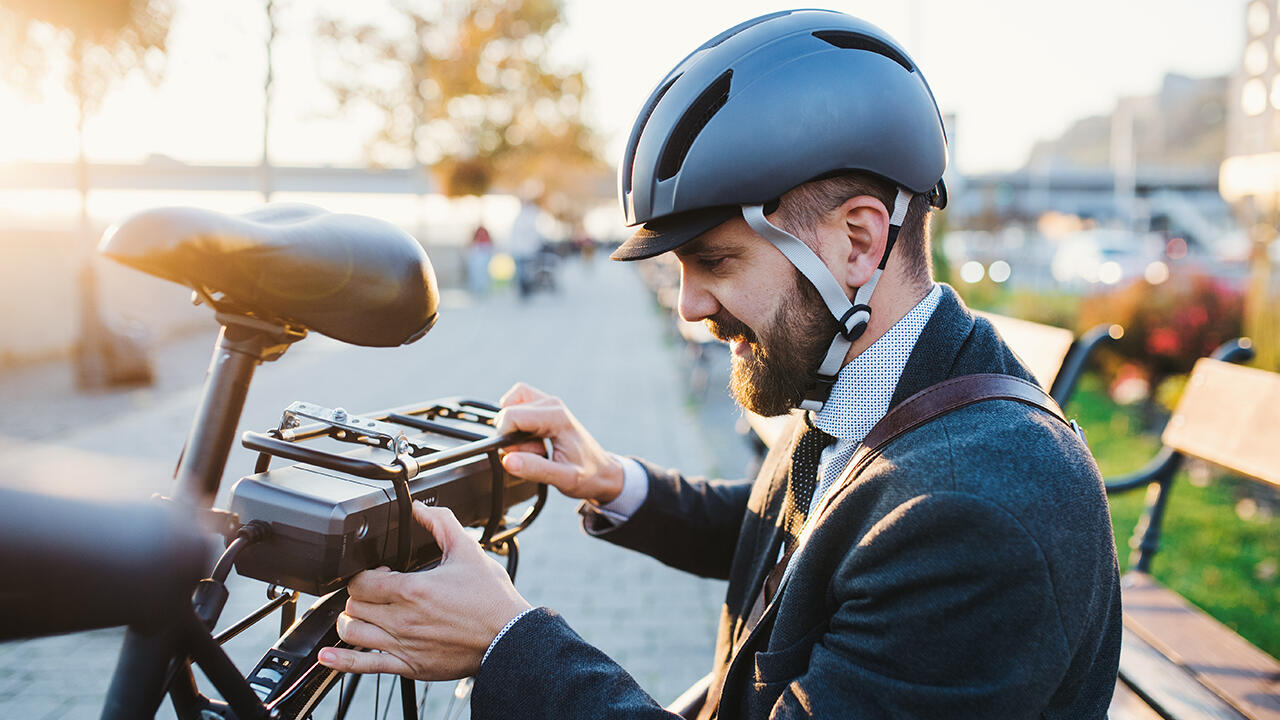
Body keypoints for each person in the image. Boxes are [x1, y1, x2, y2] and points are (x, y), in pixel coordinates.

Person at [318, 10, 1122, 718]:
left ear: (856, 241)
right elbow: (807, 535)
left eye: (716, 263)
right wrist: (615, 482)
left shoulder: (977, 515)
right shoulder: (891, 390)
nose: (688, 307)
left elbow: (877, 542)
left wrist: (507, 641)